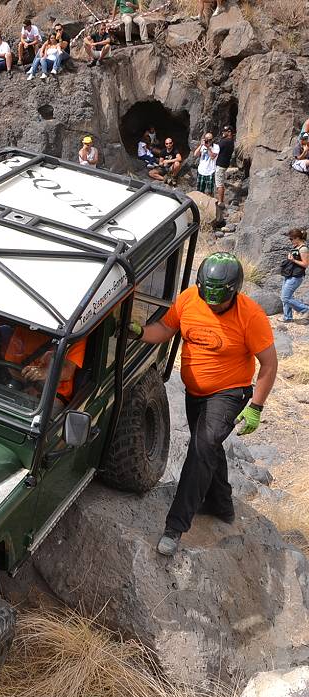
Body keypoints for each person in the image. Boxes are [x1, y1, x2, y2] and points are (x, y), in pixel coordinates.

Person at [129, 252, 276, 557]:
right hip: (194, 391)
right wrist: (140, 332)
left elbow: (269, 364)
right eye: (206, 297)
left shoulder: (251, 316)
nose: (211, 305)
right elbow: (167, 330)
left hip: (229, 392)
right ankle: (221, 505)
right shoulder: (188, 299)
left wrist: (256, 407)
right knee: (209, 447)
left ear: (234, 291)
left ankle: (175, 526)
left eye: (218, 302)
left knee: (201, 447)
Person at [4, 326, 87, 407]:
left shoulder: (75, 330)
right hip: (24, 385)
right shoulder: (25, 326)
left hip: (55, 394)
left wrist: (44, 373)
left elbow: (68, 371)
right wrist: (29, 382)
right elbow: (11, 365)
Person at [280, 227, 309, 322]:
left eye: (291, 239)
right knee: (287, 296)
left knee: (285, 297)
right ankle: (287, 317)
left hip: (296, 276)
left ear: (297, 238)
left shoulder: (303, 249)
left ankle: (305, 309)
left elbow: (305, 264)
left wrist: (293, 260)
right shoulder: (296, 247)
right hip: (289, 274)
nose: (291, 241)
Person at [215, 125, 235, 208]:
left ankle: (220, 202)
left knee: (219, 184)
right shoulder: (231, 141)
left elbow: (216, 149)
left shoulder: (225, 141)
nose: (223, 132)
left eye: (225, 131)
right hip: (225, 164)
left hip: (221, 164)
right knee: (221, 182)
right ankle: (221, 200)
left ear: (229, 132)